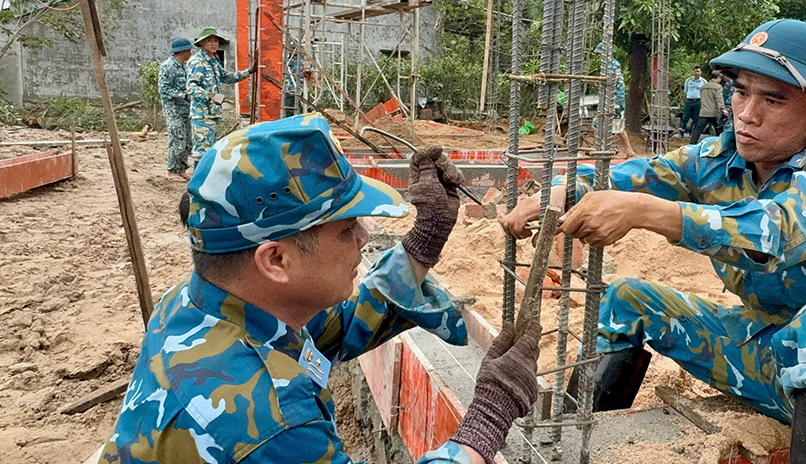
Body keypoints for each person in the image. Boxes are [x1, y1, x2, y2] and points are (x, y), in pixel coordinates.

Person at [501, 19, 806, 464]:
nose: (747, 114)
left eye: (773, 100)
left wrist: (645, 212)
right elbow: (630, 177)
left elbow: (778, 234)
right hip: (767, 349)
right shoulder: (718, 158)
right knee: (626, 300)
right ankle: (571, 446)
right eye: (741, 92)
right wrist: (560, 192)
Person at [99, 112, 541, 464]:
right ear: (276, 260)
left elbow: (334, 328)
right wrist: (485, 423)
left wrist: (425, 239)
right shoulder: (273, 423)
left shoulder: (200, 301)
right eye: (346, 229)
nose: (364, 237)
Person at [186, 27, 255, 168]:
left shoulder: (213, 61)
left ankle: (206, 177)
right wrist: (211, 96)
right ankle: (198, 178)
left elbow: (226, 76)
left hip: (212, 113)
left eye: (216, 41)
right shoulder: (197, 62)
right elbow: (191, 87)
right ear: (202, 43)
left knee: (210, 149)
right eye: (210, 41)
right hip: (202, 113)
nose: (214, 44)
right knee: (201, 150)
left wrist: (249, 71)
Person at [158, 37, 194, 182]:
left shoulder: (184, 66)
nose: (190, 53)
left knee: (187, 141)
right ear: (183, 51)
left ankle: (181, 169)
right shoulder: (168, 66)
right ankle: (172, 170)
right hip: (173, 110)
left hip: (185, 110)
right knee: (177, 140)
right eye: (189, 50)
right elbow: (164, 89)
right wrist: (183, 95)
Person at [593, 42, 636, 159]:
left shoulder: (614, 65)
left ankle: (600, 149)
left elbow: (613, 82)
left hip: (615, 98)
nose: (600, 56)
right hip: (610, 97)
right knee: (611, 124)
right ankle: (602, 148)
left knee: (607, 123)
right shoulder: (606, 66)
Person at [689, 73, 724, 144]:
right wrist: (722, 109)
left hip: (704, 112)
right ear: (718, 78)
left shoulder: (703, 87)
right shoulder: (718, 87)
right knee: (719, 130)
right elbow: (719, 99)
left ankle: (692, 144)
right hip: (714, 113)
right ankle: (721, 145)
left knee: (697, 130)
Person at [680, 66, 705, 136]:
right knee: (685, 117)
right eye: (695, 71)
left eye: (698, 71)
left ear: (701, 72)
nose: (697, 73)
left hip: (698, 101)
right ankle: (682, 132)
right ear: (693, 72)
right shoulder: (688, 80)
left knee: (696, 118)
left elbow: (704, 92)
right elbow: (685, 90)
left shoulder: (703, 81)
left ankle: (692, 133)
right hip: (689, 101)